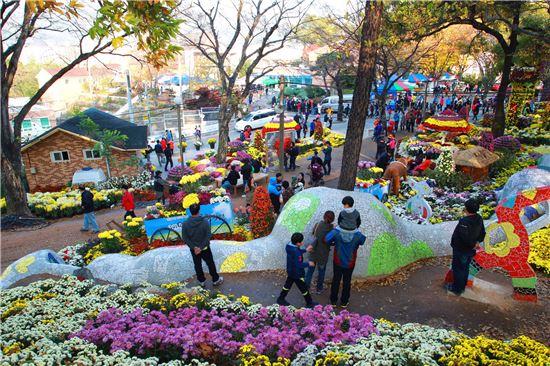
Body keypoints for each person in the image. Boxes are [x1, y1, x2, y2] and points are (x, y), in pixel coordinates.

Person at [446, 199, 485, 296]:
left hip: (461, 250)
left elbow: (464, 238)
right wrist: (477, 242)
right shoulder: (479, 218)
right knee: (465, 267)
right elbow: (482, 232)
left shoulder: (464, 221)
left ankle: (457, 289)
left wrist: (472, 244)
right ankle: (462, 286)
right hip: (470, 250)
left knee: (458, 268)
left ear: (466, 209)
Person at [181, 203, 224, 287]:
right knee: (210, 263)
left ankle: (201, 281)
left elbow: (185, 238)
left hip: (194, 250)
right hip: (204, 248)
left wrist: (195, 248)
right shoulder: (205, 222)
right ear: (199, 211)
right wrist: (200, 247)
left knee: (197, 265)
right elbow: (208, 236)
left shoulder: (185, 224)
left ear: (190, 211)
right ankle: (215, 279)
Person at [325, 222, 367, 307]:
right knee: (347, 282)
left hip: (338, 261)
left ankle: (333, 301)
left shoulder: (336, 232)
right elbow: (362, 241)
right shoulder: (357, 234)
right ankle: (344, 302)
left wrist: (333, 242)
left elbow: (326, 239)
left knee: (336, 280)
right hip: (350, 263)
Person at [276, 232, 317, 308]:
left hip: (291, 270)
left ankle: (281, 299)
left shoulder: (289, 246)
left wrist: (306, 250)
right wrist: (309, 264)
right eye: (301, 241)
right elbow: (299, 264)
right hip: (297, 273)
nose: (302, 242)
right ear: (298, 243)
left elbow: (297, 252)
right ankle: (309, 303)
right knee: (303, 288)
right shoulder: (296, 252)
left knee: (287, 285)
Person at [305, 210, 335, 293]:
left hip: (313, 251)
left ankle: (306, 288)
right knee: (321, 272)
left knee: (310, 271)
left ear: (324, 216)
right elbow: (332, 241)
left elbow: (313, 234)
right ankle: (319, 289)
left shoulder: (317, 225)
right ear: (332, 219)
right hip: (323, 254)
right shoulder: (332, 229)